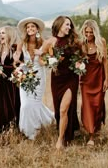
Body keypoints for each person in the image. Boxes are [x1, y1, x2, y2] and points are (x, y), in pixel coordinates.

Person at [42, 16, 81, 149]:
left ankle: (60, 140)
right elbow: (41, 57)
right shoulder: (51, 41)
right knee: (59, 110)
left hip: (71, 78)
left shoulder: (74, 41)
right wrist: (49, 62)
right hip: (57, 78)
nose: (69, 27)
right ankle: (66, 130)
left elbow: (83, 56)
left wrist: (80, 63)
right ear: (59, 25)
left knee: (64, 109)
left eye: (70, 25)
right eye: (66, 25)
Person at [14, 17, 54, 140]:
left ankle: (34, 131)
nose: (30, 29)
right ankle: (26, 130)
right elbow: (16, 59)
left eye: (32, 27)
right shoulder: (22, 43)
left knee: (35, 103)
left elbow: (51, 60)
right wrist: (17, 64)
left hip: (39, 76)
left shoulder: (44, 43)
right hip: (25, 76)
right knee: (25, 104)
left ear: (37, 29)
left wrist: (41, 54)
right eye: (28, 27)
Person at [79, 19, 108, 146]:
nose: (88, 35)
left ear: (95, 32)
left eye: (91, 32)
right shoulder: (82, 44)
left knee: (97, 105)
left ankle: (96, 129)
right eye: (86, 32)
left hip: (99, 78)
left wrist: (107, 79)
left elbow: (105, 61)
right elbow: (77, 62)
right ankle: (91, 135)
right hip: (85, 80)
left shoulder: (101, 42)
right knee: (87, 106)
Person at [0, 26, 21, 132]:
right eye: (0, 33)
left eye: (3, 33)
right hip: (0, 82)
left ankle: (11, 128)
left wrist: (1, 68)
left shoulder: (15, 48)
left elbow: (17, 66)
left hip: (10, 83)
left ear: (9, 34)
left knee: (9, 104)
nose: (0, 35)